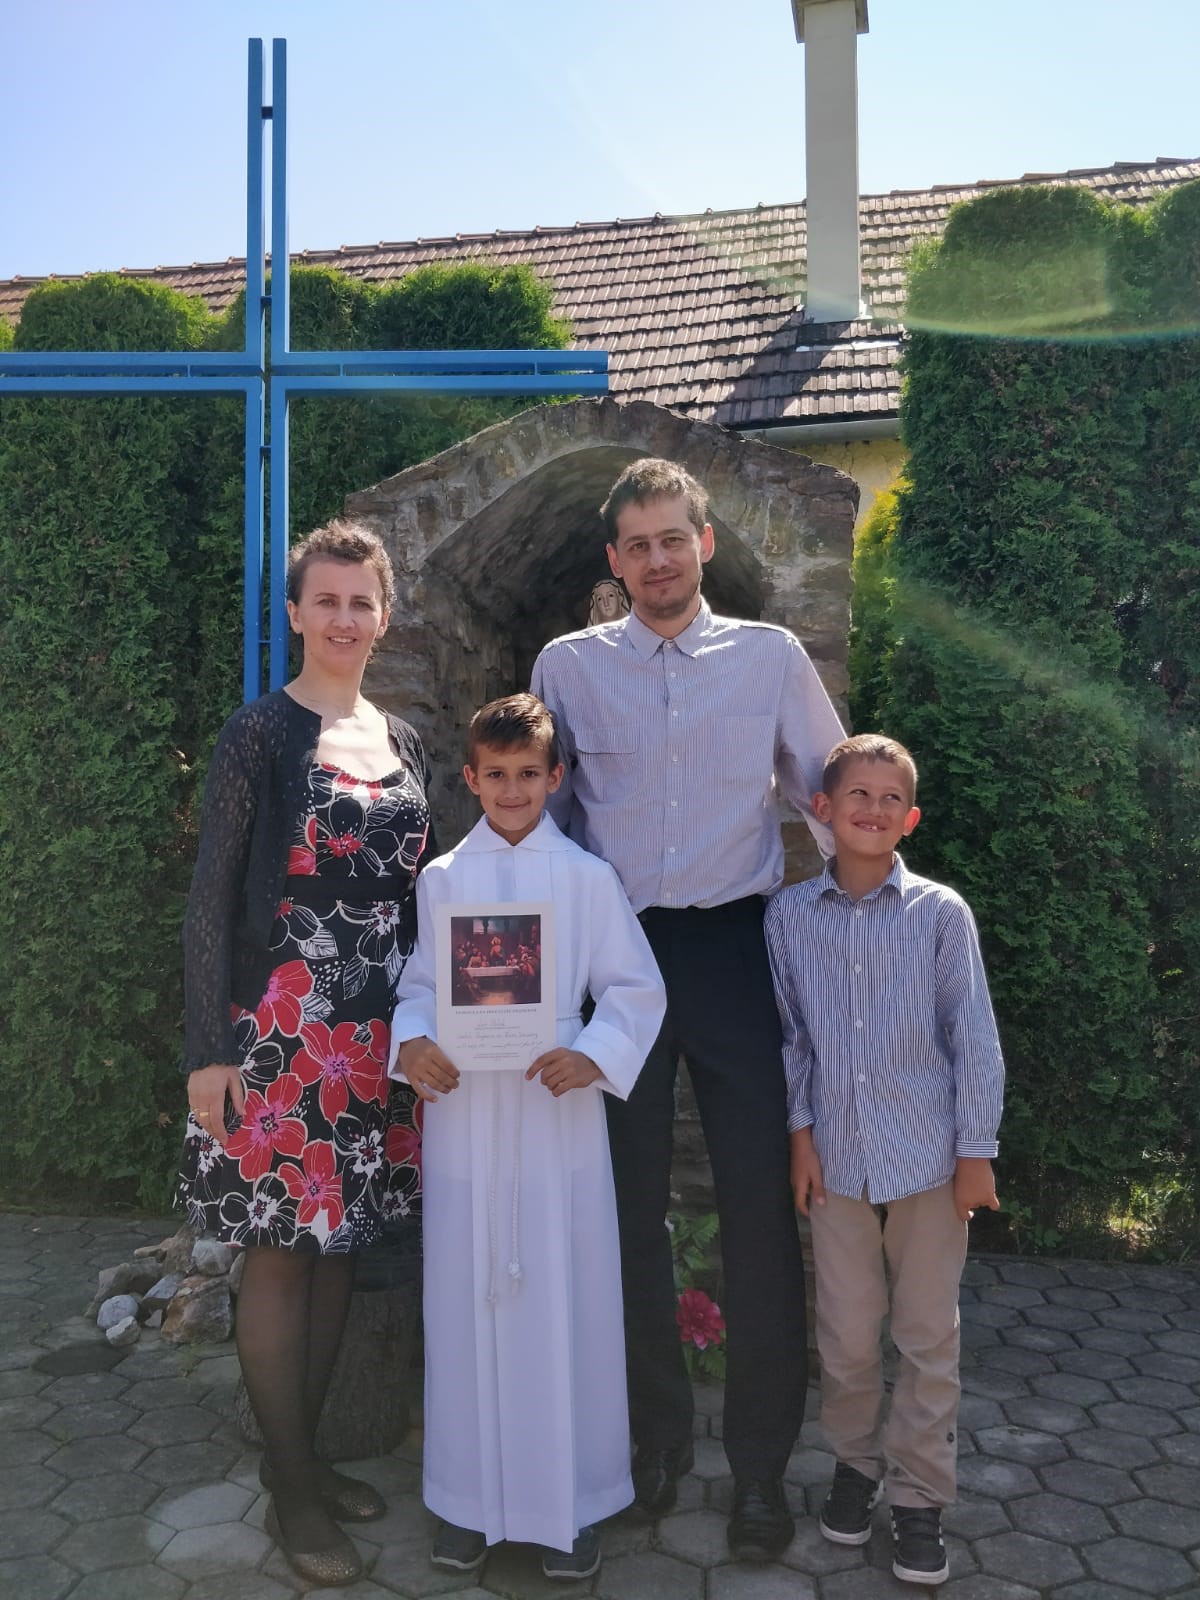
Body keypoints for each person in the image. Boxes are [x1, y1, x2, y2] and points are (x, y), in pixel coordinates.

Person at [531, 458, 846, 1563]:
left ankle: (759, 1470)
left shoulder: (770, 658)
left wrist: (877, 924)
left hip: (734, 952)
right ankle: (647, 1447)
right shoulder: (567, 667)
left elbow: (830, 791)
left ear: (704, 543)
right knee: (621, 1210)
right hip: (615, 958)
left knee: (759, 1212)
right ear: (614, 561)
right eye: (638, 545)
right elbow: (541, 819)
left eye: (674, 538)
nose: (658, 560)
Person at [177, 518, 434, 1589]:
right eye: (324, 599)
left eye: (360, 600)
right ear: (294, 613)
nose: (343, 617)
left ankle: (309, 1460)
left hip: (375, 1039)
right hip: (283, 1032)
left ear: (384, 615)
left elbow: (420, 894)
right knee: (282, 1252)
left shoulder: (404, 739)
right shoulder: (259, 734)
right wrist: (208, 1050)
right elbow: (209, 897)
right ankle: (290, 1485)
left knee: (339, 1250)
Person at [390, 693, 666, 1582]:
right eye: (497, 775)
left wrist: (595, 1054)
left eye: (528, 775)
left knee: (563, 1301)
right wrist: (414, 1043)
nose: (513, 790)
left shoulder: (586, 879)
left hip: (554, 1115)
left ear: (555, 778)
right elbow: (418, 988)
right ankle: (468, 1502)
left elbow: (634, 988)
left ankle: (568, 1506)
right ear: (470, 779)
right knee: (465, 1303)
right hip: (467, 1114)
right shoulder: (443, 880)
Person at [763, 734, 1004, 1588]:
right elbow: (790, 1039)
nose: (872, 809)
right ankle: (856, 1465)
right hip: (835, 1165)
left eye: (889, 798)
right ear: (823, 809)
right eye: (856, 795)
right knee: (847, 1334)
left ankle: (920, 1498)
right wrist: (800, 1136)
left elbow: (972, 1036)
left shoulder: (940, 914)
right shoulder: (789, 918)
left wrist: (976, 1152)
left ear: (911, 818)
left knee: (928, 1336)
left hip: (929, 1163)